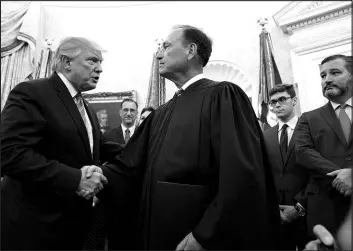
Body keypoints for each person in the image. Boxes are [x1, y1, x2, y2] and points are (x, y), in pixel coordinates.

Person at [83, 24, 281, 250]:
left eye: (166, 47)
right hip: (157, 232)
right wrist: (97, 174)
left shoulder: (223, 95)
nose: (158, 54)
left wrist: (206, 234)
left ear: (191, 50)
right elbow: (130, 165)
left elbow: (241, 172)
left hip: (197, 234)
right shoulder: (160, 113)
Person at [0, 37, 120, 250]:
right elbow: (9, 153)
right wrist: (75, 179)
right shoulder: (32, 92)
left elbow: (101, 147)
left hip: (71, 227)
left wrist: (151, 146)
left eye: (101, 63)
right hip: (34, 228)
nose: (100, 69)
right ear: (66, 62)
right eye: (92, 61)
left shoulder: (85, 106)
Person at [295, 54, 352, 240]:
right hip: (325, 209)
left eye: (334, 73)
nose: (327, 79)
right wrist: (342, 176)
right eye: (323, 75)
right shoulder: (308, 118)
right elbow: (303, 152)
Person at [263, 84, 309, 250]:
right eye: (273, 102)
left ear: (294, 100)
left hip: (307, 213)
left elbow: (319, 174)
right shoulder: (265, 135)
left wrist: (300, 206)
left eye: (282, 99)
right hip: (275, 216)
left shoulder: (311, 129)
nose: (277, 105)